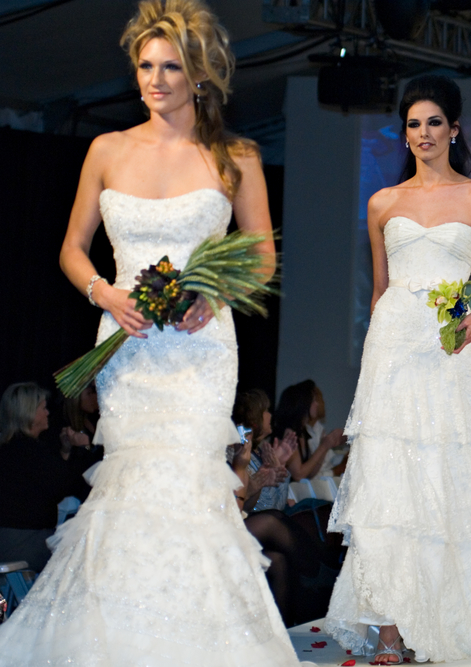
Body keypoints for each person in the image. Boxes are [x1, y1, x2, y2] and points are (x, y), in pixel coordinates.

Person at [0, 3, 304, 664]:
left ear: (198, 75)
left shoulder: (236, 155)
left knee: (189, 486)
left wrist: (215, 294)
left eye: (171, 67)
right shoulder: (106, 150)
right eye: (145, 66)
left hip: (200, 346)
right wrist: (104, 291)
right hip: (128, 342)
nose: (156, 79)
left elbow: (262, 257)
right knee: (130, 486)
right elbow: (72, 249)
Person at [323, 74, 471, 664]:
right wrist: (373, 364)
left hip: (449, 346)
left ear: (454, 129)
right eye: (413, 124)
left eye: (433, 122)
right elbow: (380, 290)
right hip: (394, 346)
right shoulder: (383, 202)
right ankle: (390, 629)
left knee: (445, 476)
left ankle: (441, 613)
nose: (423, 133)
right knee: (390, 480)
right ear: (405, 134)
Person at [0, 383, 99, 573]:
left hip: (8, 539)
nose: (47, 413)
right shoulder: (30, 450)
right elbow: (67, 485)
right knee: (86, 555)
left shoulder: (10, 447)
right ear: (29, 413)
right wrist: (85, 447)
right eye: (43, 408)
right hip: (24, 541)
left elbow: (53, 480)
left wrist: (65, 451)